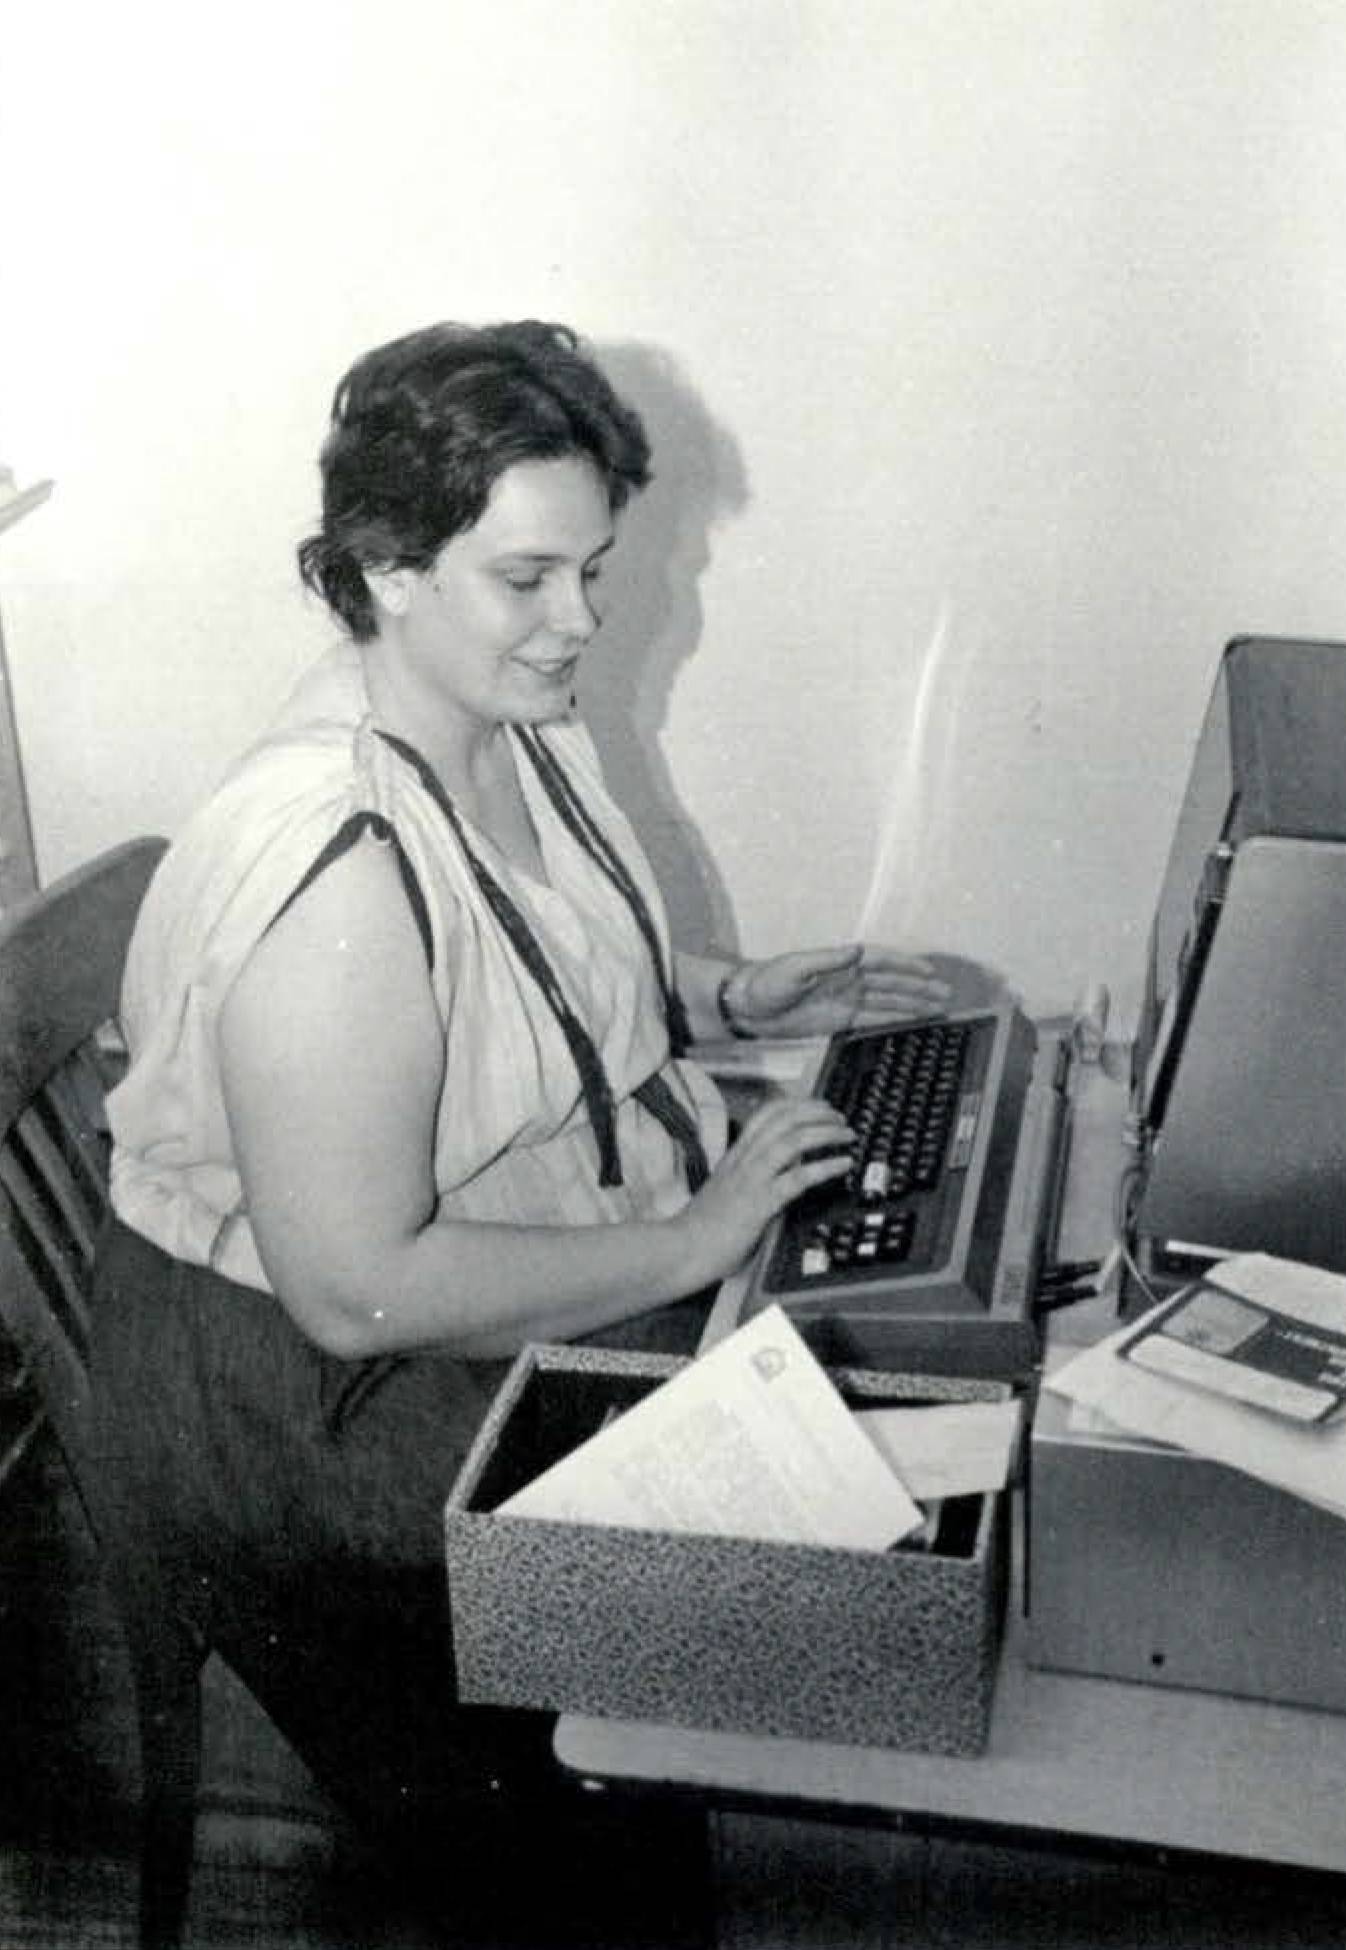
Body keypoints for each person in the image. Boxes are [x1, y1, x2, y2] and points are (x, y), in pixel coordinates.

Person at [90, 319, 951, 1946]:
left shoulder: (495, 716)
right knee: (730, 1616)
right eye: (530, 577)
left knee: (823, 1499)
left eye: (595, 571)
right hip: (299, 1389)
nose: (581, 622)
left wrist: (731, 987)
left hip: (412, 1287)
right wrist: (698, 1241)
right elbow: (349, 1284)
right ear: (388, 567)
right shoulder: (330, 866)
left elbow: (521, 978)